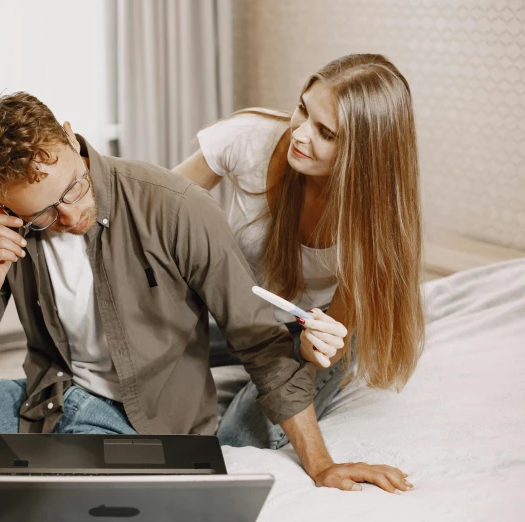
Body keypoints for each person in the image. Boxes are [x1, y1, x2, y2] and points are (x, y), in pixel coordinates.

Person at [0, 91, 410, 522]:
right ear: (1, 202)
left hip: (145, 425)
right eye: (42, 214)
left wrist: (321, 464)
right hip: (49, 400)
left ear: (68, 135)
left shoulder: (173, 206)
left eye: (72, 188)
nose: (69, 217)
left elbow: (259, 342)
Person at [176, 53, 425, 475]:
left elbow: (335, 337)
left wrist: (320, 349)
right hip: (235, 315)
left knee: (233, 443)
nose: (300, 134)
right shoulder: (250, 139)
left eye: (325, 133)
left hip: (307, 328)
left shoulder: (373, 223)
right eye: (303, 109)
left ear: (362, 155)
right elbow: (152, 204)